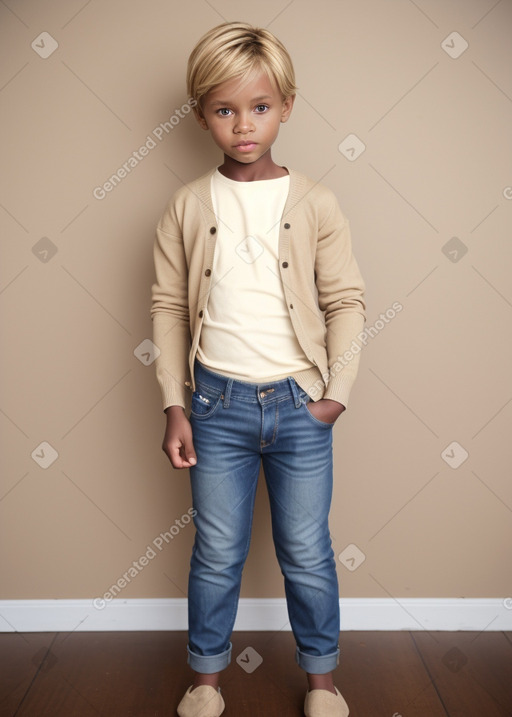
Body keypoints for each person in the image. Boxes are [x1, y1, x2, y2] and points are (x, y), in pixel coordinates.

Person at [150, 21, 366, 717]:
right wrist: (174, 404)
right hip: (215, 407)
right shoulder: (186, 205)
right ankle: (206, 682)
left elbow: (346, 301)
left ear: (287, 105)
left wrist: (334, 396)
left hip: (300, 405)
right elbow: (167, 309)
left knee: (306, 549)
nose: (244, 124)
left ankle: (323, 683)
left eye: (261, 106)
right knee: (217, 551)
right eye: (225, 109)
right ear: (201, 115)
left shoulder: (316, 202)